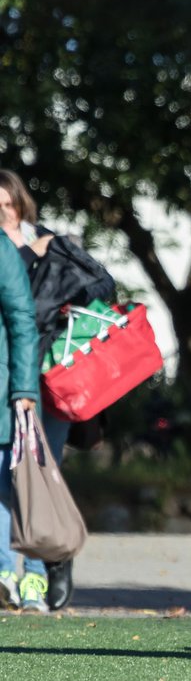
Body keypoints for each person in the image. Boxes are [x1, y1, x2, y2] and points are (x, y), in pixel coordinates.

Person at [0, 169, 115, 611]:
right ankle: (10, 572)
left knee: (38, 475)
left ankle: (43, 570)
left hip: (51, 377)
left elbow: (100, 284)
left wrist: (72, 302)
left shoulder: (50, 244)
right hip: (8, 376)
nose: (3, 215)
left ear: (21, 205)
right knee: (5, 479)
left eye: (7, 206)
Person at [0, 229, 41, 612]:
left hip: (5, 391)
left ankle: (30, 578)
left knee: (17, 488)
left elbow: (21, 319)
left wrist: (24, 388)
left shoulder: (1, 248)